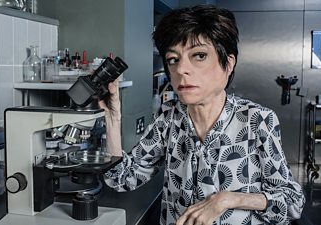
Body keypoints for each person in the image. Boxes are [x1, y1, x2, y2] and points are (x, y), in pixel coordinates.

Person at [100, 5, 305, 225]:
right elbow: (121, 179)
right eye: (173, 59)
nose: (181, 70)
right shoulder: (168, 121)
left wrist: (227, 200)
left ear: (228, 63)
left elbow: (292, 202)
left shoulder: (257, 120)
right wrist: (113, 119)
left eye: (199, 55)